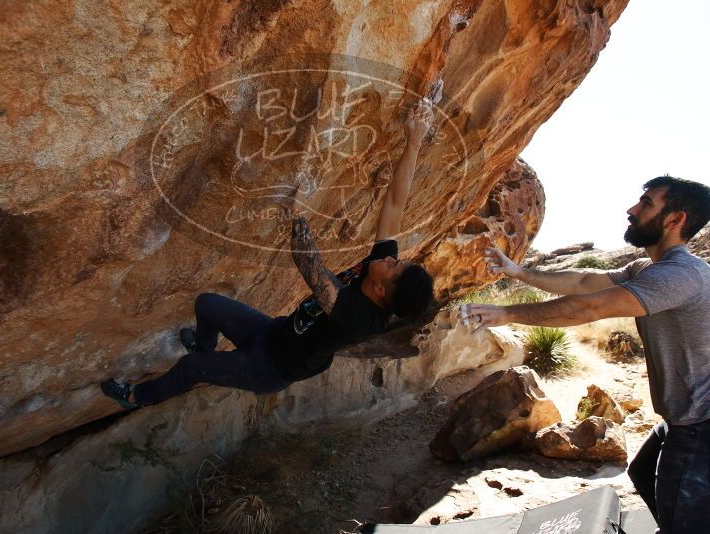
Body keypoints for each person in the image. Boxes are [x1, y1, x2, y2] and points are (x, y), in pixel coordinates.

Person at [101, 99, 435, 409]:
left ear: (380, 290)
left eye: (392, 265)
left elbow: (309, 266)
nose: (389, 257)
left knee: (191, 369)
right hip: (274, 333)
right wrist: (415, 140)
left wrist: (296, 209)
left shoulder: (361, 319)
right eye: (395, 258)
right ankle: (203, 346)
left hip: (271, 367)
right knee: (206, 304)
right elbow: (395, 204)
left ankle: (136, 396)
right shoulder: (379, 276)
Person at [460, 176, 710, 534]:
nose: (632, 210)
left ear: (676, 220)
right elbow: (583, 283)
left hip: (700, 424)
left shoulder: (681, 275)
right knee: (642, 474)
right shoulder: (647, 270)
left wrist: (506, 313)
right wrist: (518, 271)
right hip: (684, 417)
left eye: (647, 203)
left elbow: (589, 307)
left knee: (683, 515)